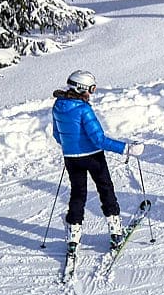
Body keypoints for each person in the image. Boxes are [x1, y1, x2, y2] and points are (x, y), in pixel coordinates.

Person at [51, 70, 144, 251]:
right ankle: (116, 232)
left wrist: (71, 147)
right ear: (81, 88)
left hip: (71, 159)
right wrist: (127, 149)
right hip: (93, 157)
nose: (91, 94)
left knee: (78, 194)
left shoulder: (58, 106)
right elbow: (99, 140)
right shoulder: (83, 109)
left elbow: (57, 135)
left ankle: (73, 237)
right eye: (91, 89)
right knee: (105, 189)